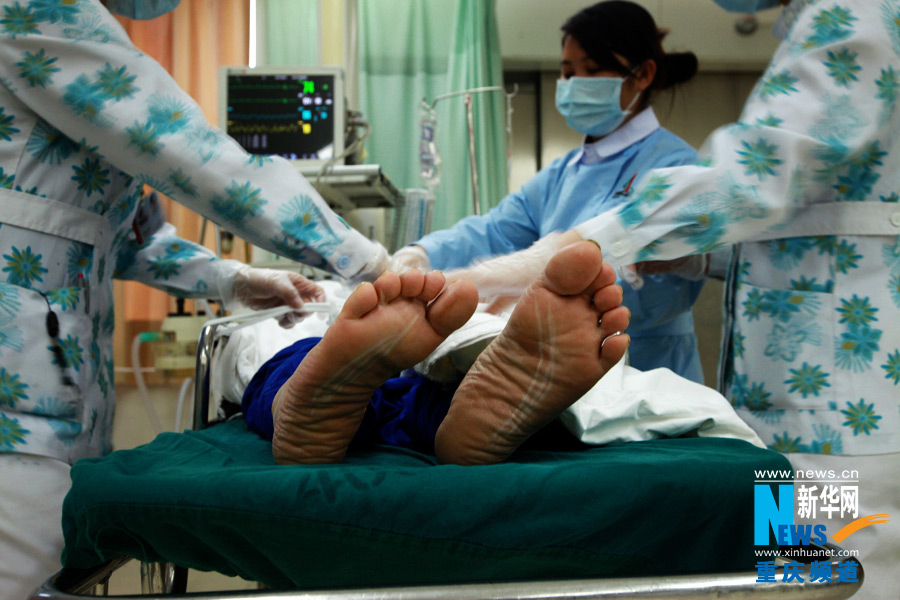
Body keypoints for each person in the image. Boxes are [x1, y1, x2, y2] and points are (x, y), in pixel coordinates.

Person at [441, 1, 900, 597]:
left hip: (840, 409)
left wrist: (580, 243)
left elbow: (755, 175)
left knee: (826, 579)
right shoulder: (823, 23)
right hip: (793, 403)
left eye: (586, 69)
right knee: (787, 570)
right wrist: (697, 255)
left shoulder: (858, 10)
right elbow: (808, 229)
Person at [0, 1, 388, 596]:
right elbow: (190, 153)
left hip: (52, 388)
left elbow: (125, 238)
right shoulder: (33, 8)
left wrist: (230, 279)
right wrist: (365, 260)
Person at [393, 0, 706, 383]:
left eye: (592, 70)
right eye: (567, 72)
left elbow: (625, 278)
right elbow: (494, 230)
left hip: (646, 365)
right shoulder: (564, 171)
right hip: (557, 368)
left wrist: (476, 283)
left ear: (643, 75)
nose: (574, 85)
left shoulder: (675, 168)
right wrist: (420, 255)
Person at [245, 241, 630, 466]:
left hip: (358, 345)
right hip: (388, 353)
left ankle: (300, 407)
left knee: (293, 362)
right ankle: (459, 427)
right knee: (420, 400)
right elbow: (480, 230)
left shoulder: (364, 303)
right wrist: (419, 253)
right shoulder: (325, 297)